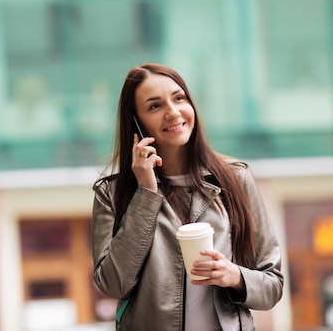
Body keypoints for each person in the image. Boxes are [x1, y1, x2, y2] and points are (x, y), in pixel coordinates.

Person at [91, 63, 284, 331]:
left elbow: (273, 285)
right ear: (136, 123)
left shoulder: (235, 180)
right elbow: (114, 284)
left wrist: (235, 276)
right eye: (154, 106)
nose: (173, 112)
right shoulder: (111, 194)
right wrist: (146, 192)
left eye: (179, 98)